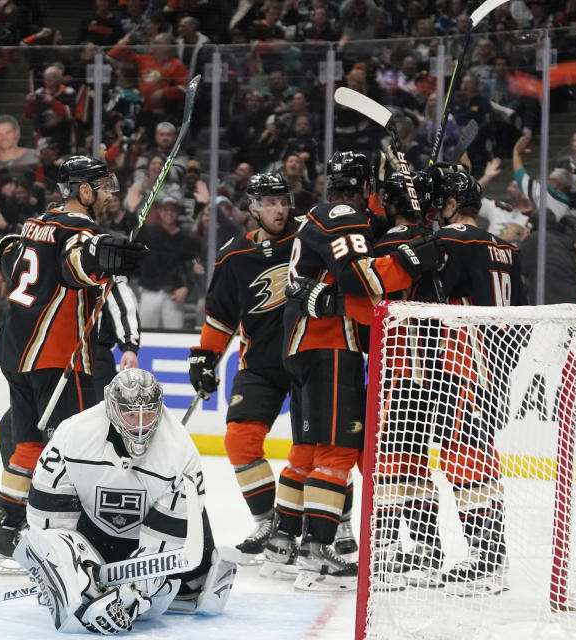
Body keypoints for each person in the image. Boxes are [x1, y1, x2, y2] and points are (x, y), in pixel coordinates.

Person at [279, 151, 439, 591]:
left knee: (317, 451)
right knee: (335, 454)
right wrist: (410, 259)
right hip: (329, 342)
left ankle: (285, 540)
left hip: (308, 344)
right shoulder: (343, 213)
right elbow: (356, 280)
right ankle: (315, 557)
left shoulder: (326, 214)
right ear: (365, 186)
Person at [0, 156, 148, 576]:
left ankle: (6, 537)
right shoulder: (79, 229)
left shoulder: (37, 223)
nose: (111, 192)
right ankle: (62, 544)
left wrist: (104, 255)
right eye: (103, 185)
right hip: (57, 357)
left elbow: (7, 252)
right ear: (84, 191)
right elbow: (79, 260)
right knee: (73, 451)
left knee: (28, 446)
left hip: (16, 353)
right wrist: (104, 255)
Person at [14, 368, 236, 634]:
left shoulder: (180, 451)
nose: (140, 424)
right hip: (93, 535)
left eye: (149, 413)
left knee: (192, 584)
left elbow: (163, 551)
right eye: (130, 414)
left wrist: (134, 596)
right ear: (111, 408)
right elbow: (47, 520)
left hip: (146, 543)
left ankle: (189, 582)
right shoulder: (73, 435)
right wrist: (66, 575)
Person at [188, 173, 306, 573]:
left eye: (283, 201)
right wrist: (204, 357)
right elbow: (220, 317)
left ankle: (320, 528)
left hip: (309, 358)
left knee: (314, 450)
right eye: (270, 203)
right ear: (252, 208)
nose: (279, 209)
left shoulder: (309, 238)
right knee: (239, 440)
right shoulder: (233, 255)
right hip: (259, 364)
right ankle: (268, 521)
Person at [431, 167, 527, 594]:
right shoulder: (506, 248)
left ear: (452, 205)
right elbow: (520, 313)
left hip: (466, 361)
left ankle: (488, 561)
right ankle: (489, 557)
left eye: (441, 206)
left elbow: (431, 290)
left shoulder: (451, 241)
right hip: (499, 364)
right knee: (474, 458)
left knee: (466, 461)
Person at [135, 196, 201, 330]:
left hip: (173, 295)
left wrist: (187, 287)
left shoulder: (188, 240)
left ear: (178, 213)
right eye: (166, 209)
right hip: (149, 292)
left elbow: (196, 268)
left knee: (174, 333)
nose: (169, 213)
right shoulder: (148, 232)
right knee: (144, 333)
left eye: (173, 210)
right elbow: (130, 234)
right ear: (160, 212)